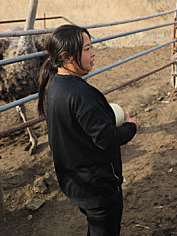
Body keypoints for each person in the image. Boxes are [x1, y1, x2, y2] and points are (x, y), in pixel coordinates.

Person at [38, 24, 137, 236]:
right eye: (87, 49)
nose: (93, 54)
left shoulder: (56, 85)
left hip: (75, 182)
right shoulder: (82, 94)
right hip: (97, 188)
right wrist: (130, 127)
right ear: (66, 56)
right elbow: (106, 139)